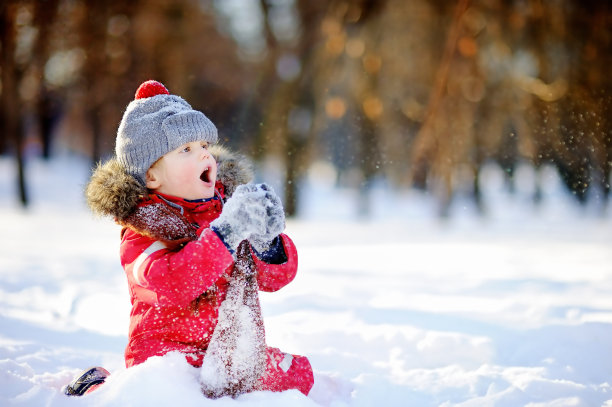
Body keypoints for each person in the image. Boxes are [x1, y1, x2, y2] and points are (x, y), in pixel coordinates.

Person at [66, 80, 313, 397]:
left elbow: (274, 279)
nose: (204, 158)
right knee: (165, 395)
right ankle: (101, 386)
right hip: (169, 357)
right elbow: (173, 283)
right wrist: (225, 236)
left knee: (300, 376)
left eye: (205, 147)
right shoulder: (141, 232)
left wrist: (268, 242)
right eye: (186, 150)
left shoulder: (226, 211)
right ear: (152, 176)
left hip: (227, 353)